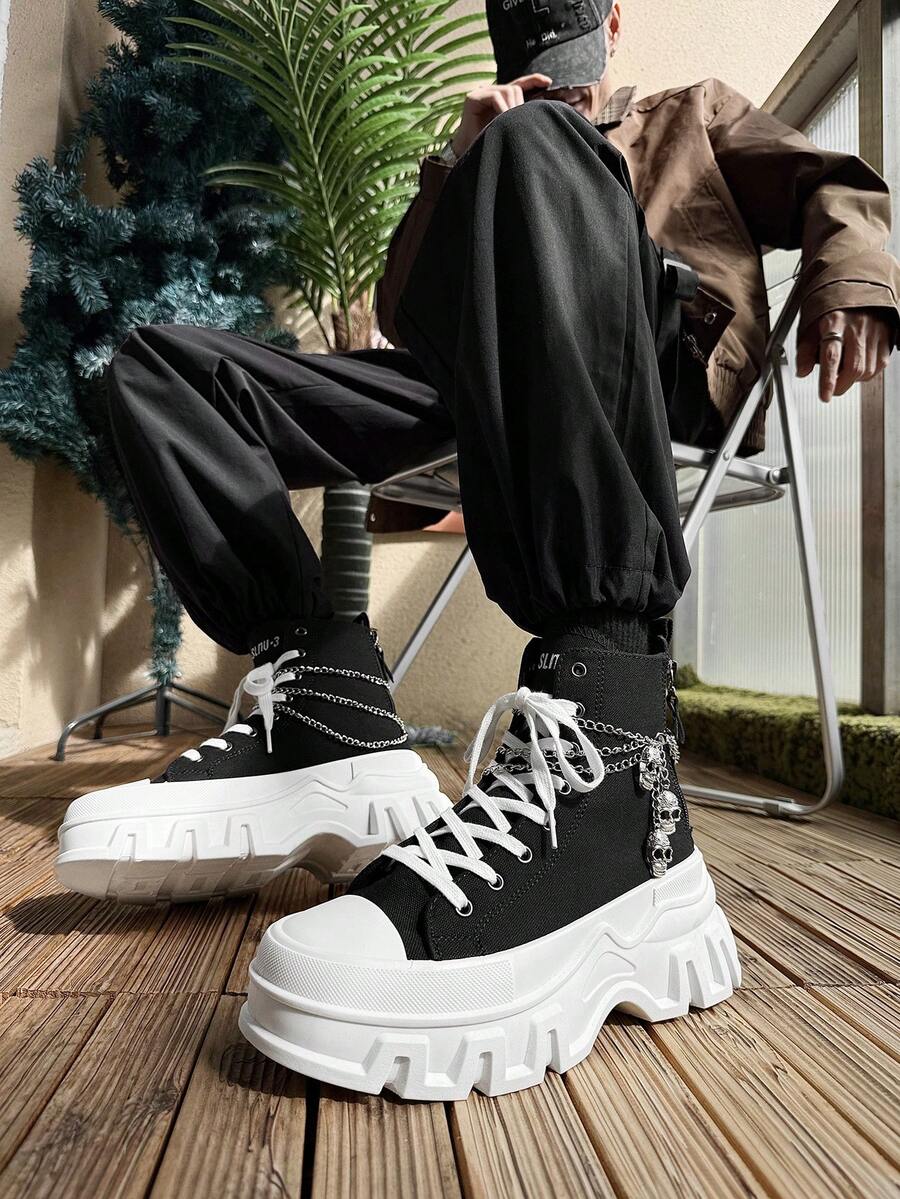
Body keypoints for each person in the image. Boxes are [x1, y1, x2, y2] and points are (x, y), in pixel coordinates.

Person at [55, 1, 898, 1099]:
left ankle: (614, 759)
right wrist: (457, 164)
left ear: (614, 23)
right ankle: (327, 700)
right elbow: (409, 314)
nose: (562, 78)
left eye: (574, 54)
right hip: (477, 373)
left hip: (646, 350)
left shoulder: (693, 115)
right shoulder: (494, 135)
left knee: (543, 148)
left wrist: (855, 282)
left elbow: (841, 184)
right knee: (158, 370)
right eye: (539, 61)